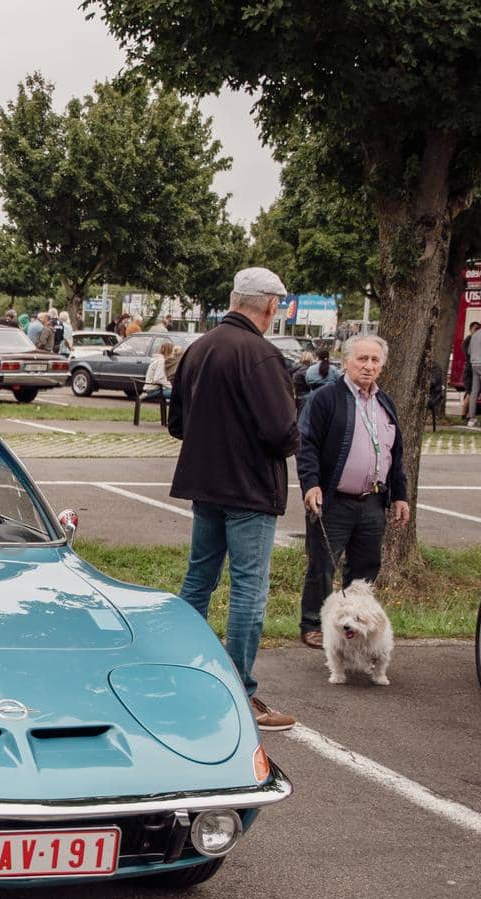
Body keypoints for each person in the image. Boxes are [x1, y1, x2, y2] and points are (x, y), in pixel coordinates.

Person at [167, 266, 299, 731]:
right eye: (277, 307)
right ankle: (241, 688)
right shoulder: (261, 355)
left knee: (199, 578)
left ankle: (183, 669)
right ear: (268, 306)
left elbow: (176, 424)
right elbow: (283, 433)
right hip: (249, 490)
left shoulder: (198, 349)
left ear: (233, 298)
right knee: (248, 588)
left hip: (205, 484)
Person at [295, 334, 410, 649]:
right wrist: (311, 484)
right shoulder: (325, 399)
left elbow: (394, 454)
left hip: (373, 501)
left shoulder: (384, 402)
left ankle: (356, 626)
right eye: (362, 359)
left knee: (365, 568)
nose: (368, 366)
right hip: (334, 501)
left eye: (375, 360)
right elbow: (306, 446)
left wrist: (400, 495)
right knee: (322, 566)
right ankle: (314, 625)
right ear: (346, 361)